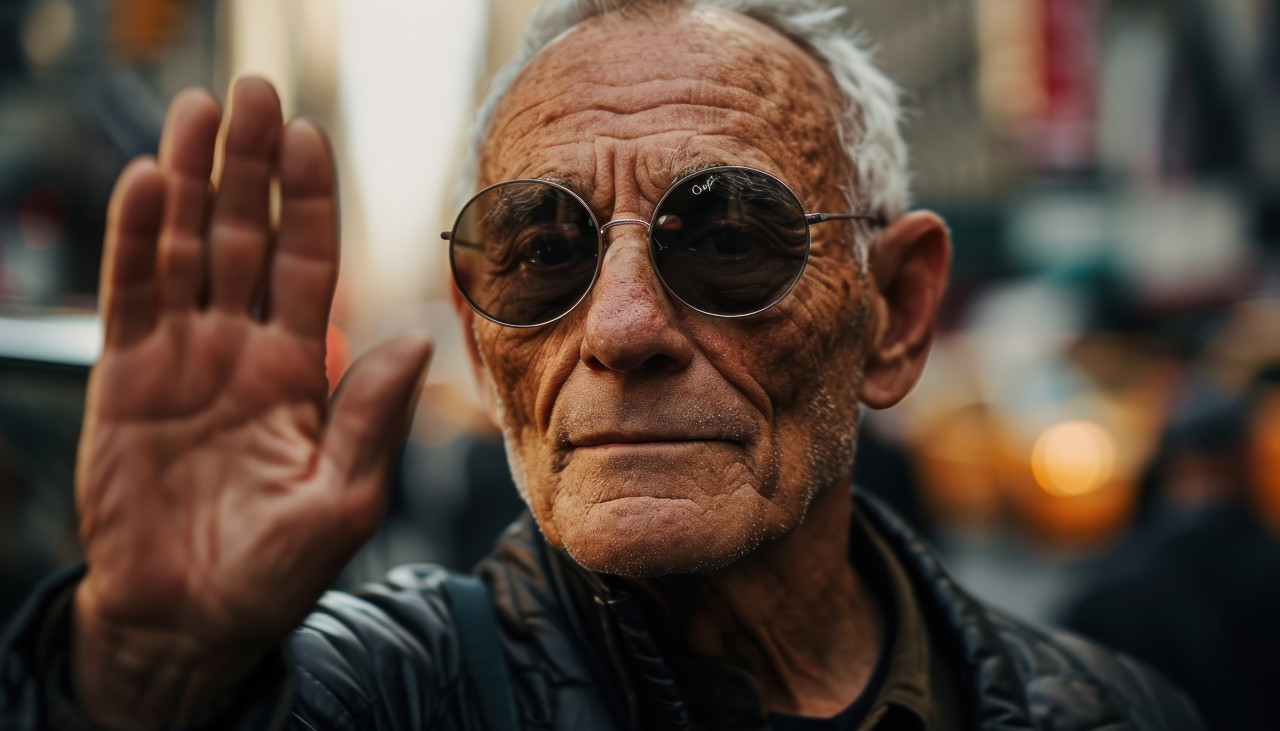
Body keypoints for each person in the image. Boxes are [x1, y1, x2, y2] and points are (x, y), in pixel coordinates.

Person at [0, 1, 1203, 728]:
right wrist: (140, 679)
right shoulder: (386, 688)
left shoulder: (1113, 708)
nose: (621, 326)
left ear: (892, 312)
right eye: (541, 255)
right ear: (485, 351)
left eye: (725, 237)